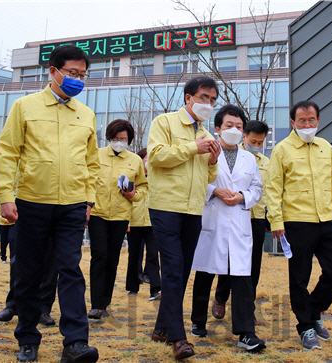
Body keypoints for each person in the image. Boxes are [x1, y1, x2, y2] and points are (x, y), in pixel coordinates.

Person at [0, 45, 100, 363]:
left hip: (72, 205)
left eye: (82, 75)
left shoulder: (87, 114)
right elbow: (7, 152)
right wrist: (5, 196)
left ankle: (76, 342)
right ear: (52, 71)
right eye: (72, 73)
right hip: (31, 202)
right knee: (28, 272)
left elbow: (92, 164)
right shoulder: (25, 106)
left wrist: (89, 200)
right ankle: (28, 338)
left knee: (70, 270)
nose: (78, 79)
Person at [147, 76, 221, 360]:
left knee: (181, 270)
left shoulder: (208, 135)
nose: (209, 104)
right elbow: (155, 156)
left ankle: (161, 329)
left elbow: (208, 176)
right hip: (166, 205)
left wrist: (212, 161)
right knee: (174, 268)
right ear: (189, 98)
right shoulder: (164, 122)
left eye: (213, 100)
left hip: (193, 209)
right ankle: (178, 339)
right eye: (204, 97)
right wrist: (193, 148)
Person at [266, 100, 332, 351]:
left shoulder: (326, 147)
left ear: (318, 121)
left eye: (312, 120)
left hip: (327, 220)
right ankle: (306, 327)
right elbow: (273, 188)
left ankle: (312, 311)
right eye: (302, 121)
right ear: (293, 123)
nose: (307, 124)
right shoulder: (282, 150)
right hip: (297, 222)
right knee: (299, 277)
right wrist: (276, 221)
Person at [190, 105, 265, 352]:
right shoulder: (206, 152)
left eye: (239, 127)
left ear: (243, 132)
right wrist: (215, 191)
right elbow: (196, 181)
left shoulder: (249, 159)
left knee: (242, 277)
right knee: (205, 273)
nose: (234, 130)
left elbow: (257, 189)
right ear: (217, 128)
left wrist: (242, 196)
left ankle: (246, 333)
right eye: (229, 126)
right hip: (213, 220)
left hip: (240, 222)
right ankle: (198, 321)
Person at [87, 119, 148, 319]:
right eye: (115, 138)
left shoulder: (135, 160)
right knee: (99, 256)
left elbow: (143, 186)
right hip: (97, 213)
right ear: (109, 138)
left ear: (129, 139)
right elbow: (86, 181)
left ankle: (105, 303)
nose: (119, 142)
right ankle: (95, 305)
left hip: (121, 216)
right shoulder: (96, 154)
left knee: (112, 260)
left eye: (122, 139)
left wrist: (134, 195)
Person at [212, 120, 270, 326]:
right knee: (228, 262)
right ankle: (220, 298)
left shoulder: (265, 161)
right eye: (253, 141)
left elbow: (266, 190)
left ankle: (248, 309)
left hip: (256, 217)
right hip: (233, 215)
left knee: (251, 267)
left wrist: (270, 216)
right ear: (244, 137)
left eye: (261, 142)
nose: (257, 145)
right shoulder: (233, 156)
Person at [125, 148, 161, 300]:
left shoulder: (158, 177)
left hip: (152, 222)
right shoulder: (132, 178)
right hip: (134, 221)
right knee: (134, 255)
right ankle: (133, 287)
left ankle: (155, 289)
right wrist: (126, 220)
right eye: (146, 159)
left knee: (153, 256)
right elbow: (126, 200)